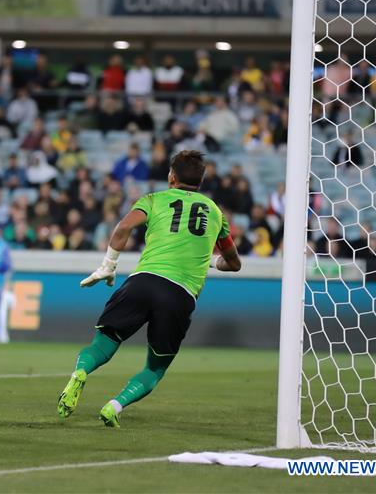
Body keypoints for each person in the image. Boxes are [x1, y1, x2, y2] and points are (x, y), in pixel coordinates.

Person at [57, 150, 242, 427]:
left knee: (104, 344)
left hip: (142, 282)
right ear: (201, 181)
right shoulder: (215, 212)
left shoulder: (154, 199)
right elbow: (234, 263)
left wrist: (108, 265)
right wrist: (208, 261)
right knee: (155, 368)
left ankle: (80, 373)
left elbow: (122, 228)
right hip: (179, 295)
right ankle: (114, 406)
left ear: (171, 176)